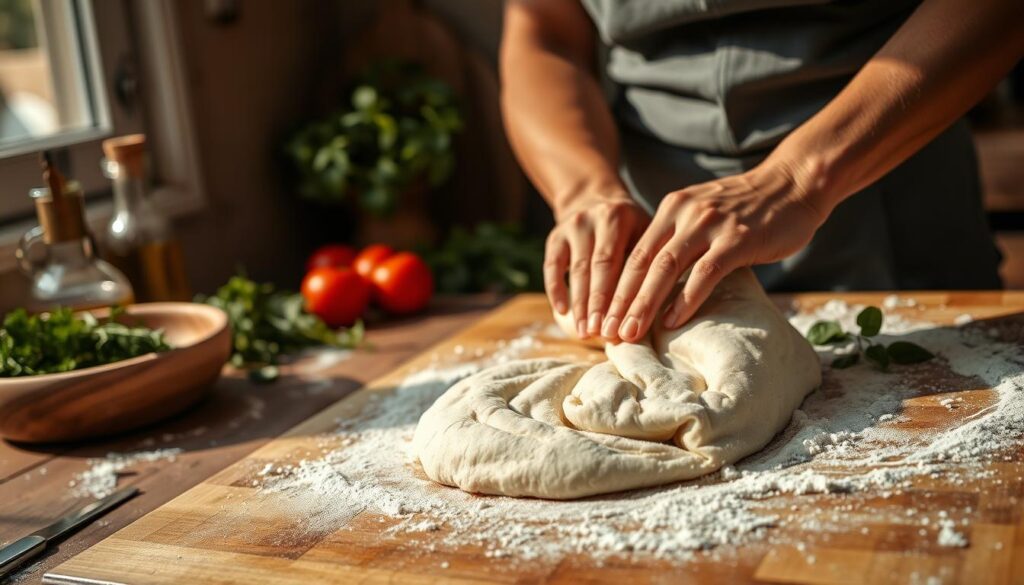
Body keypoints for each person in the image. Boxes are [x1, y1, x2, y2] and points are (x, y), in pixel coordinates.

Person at [499, 0, 1024, 344]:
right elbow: (544, 32)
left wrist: (797, 178)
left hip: (879, 187)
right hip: (656, 232)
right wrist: (584, 190)